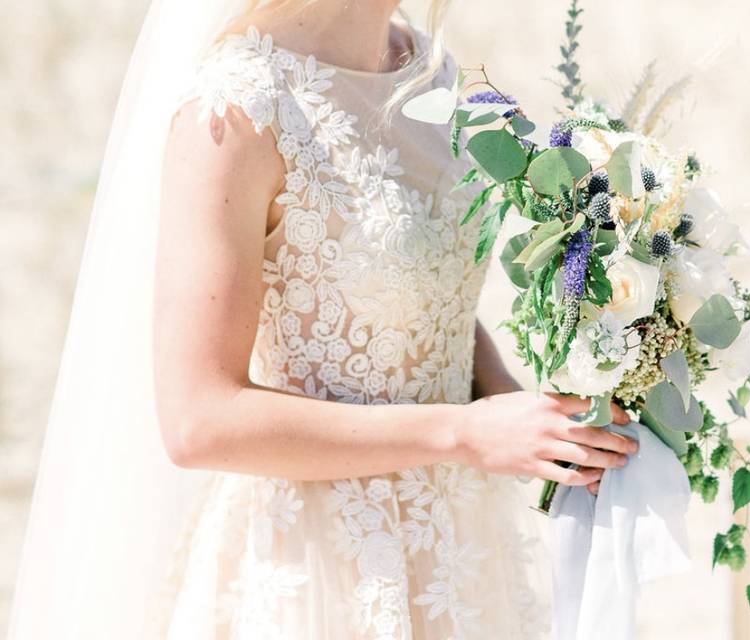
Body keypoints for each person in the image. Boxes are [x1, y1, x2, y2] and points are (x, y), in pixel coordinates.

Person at [6, 1, 637, 637]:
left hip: (462, 553)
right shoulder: (236, 110)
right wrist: (463, 433)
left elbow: (419, 293)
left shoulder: (430, 68)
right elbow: (199, 421)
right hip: (318, 567)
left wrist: (536, 418)